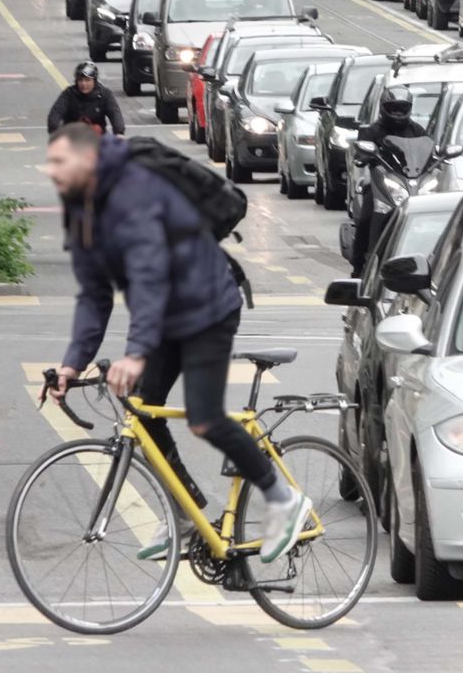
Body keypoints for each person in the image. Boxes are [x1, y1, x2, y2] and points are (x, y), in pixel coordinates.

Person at [42, 122, 312, 564]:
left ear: (88, 159)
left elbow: (150, 273)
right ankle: (188, 520)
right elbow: (94, 293)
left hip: (208, 308)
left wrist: (135, 353)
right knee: (144, 411)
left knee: (204, 418)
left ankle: (284, 500)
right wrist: (73, 364)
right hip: (167, 317)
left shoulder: (135, 186)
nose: (51, 170)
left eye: (59, 161)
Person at [350, 86, 427, 273]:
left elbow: (428, 149)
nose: (398, 113)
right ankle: (359, 263)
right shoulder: (372, 131)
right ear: (384, 107)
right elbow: (359, 154)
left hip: (411, 181)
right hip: (382, 182)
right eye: (393, 108)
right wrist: (365, 156)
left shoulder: (416, 130)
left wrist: (436, 158)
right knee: (367, 216)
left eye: (402, 108)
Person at [47, 62, 126, 137]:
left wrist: (119, 132)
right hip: (73, 136)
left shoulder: (104, 94)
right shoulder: (69, 94)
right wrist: (54, 129)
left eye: (87, 80)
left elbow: (115, 113)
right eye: (80, 80)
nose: (83, 84)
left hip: (97, 137)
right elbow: (56, 111)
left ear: (94, 81)